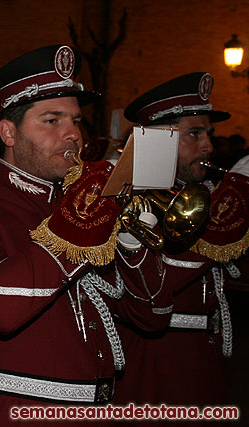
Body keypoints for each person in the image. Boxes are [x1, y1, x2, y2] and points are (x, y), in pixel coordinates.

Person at [0, 45, 172, 426]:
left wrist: (132, 242)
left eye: (76, 121)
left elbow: (153, 316)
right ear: (7, 132)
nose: (73, 136)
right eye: (51, 121)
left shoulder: (74, 204)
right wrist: (77, 226)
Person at [113, 72, 249, 408]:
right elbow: (161, 278)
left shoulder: (197, 194)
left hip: (201, 364)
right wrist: (233, 204)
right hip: (153, 369)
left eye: (208, 134)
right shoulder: (129, 200)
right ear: (158, 140)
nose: (208, 146)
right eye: (194, 133)